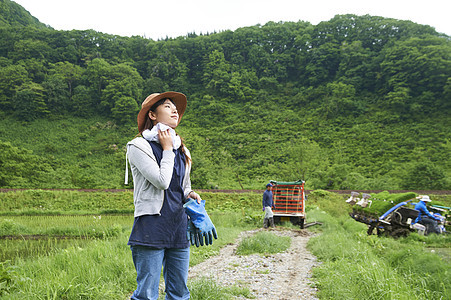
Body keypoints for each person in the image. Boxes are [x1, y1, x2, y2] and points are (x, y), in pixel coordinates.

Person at [125, 92, 202, 300]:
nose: (175, 110)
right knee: (146, 294)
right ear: (152, 114)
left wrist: (191, 194)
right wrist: (167, 149)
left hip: (178, 226)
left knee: (179, 293)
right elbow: (162, 181)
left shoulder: (182, 150)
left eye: (175, 107)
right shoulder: (138, 146)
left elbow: (182, 186)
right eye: (168, 106)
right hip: (151, 226)